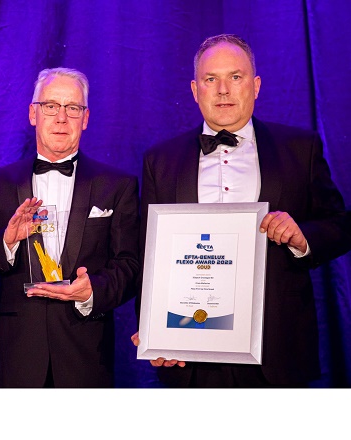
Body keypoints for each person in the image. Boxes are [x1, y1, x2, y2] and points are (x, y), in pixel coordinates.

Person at [132, 34, 351, 387]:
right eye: (210, 79)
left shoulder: (300, 148)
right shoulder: (160, 160)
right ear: (195, 90)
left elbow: (341, 225)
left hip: (276, 353)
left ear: (256, 85)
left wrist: (303, 238)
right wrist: (153, 330)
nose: (223, 90)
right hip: (190, 353)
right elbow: (149, 253)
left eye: (235, 77)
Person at [0, 67, 140, 387]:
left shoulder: (117, 186)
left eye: (73, 108)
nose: (61, 118)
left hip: (86, 359)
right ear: (33, 113)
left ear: (86, 118)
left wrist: (92, 291)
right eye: (51, 106)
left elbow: (131, 265)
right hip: (18, 360)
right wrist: (6, 242)